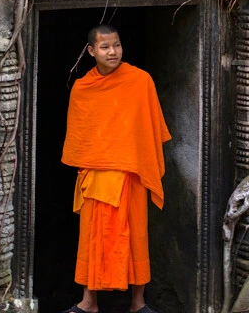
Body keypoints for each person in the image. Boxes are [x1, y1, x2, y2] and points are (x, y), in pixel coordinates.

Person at [60, 24, 170, 313]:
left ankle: (138, 303)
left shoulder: (140, 81)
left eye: (117, 45)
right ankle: (89, 302)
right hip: (96, 176)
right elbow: (80, 137)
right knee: (92, 240)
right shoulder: (83, 88)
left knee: (135, 238)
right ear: (92, 51)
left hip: (131, 173)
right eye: (106, 47)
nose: (113, 52)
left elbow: (149, 128)